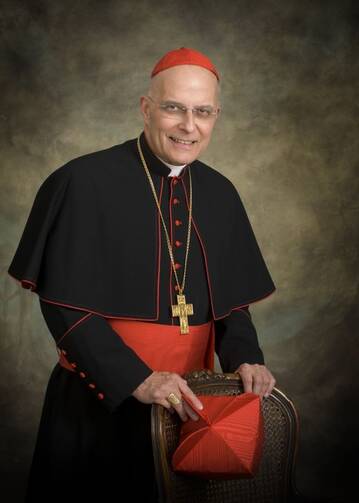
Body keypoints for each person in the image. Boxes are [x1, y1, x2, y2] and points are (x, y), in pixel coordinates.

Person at [8, 47, 276, 502]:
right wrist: (136, 378)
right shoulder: (81, 182)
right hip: (98, 407)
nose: (188, 126)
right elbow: (63, 304)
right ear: (146, 108)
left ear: (216, 116)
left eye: (203, 112)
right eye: (174, 108)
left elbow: (232, 302)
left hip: (191, 408)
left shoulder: (221, 193)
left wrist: (246, 358)